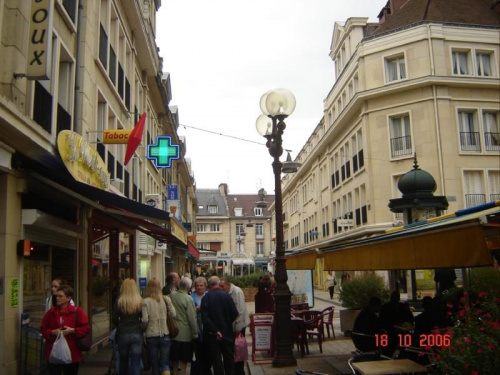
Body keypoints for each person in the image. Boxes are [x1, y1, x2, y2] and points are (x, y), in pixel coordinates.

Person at [41, 285, 90, 375]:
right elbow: (43, 329)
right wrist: (52, 332)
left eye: (60, 296)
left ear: (68, 298)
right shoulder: (51, 313)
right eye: (57, 296)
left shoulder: (77, 312)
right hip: (54, 352)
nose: (57, 298)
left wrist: (72, 330)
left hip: (72, 353)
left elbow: (85, 328)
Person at [201, 276, 238, 375]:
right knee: (229, 358)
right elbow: (235, 312)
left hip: (212, 335)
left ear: (208, 285)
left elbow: (205, 318)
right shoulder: (226, 296)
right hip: (227, 332)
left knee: (216, 359)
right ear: (218, 283)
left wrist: (215, 330)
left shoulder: (206, 298)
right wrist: (227, 322)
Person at [142, 278, 177, 375]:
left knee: (155, 363)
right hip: (165, 334)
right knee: (165, 362)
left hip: (151, 335)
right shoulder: (166, 299)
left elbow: (145, 320)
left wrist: (143, 328)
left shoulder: (145, 302)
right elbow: (174, 314)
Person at [112, 278, 143, 375]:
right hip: (137, 332)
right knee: (136, 361)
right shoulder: (140, 301)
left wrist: (120, 325)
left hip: (123, 333)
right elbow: (143, 317)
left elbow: (114, 318)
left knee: (123, 360)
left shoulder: (119, 301)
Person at [219, 277, 250, 375]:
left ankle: (239, 371)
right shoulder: (225, 293)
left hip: (239, 326)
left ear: (228, 285)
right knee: (233, 349)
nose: (220, 288)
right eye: (219, 286)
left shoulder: (237, 292)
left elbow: (240, 311)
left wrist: (238, 329)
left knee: (238, 348)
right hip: (231, 326)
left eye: (222, 286)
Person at [169, 277, 198, 375]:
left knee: (174, 357)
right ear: (189, 287)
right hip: (185, 333)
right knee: (184, 358)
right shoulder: (188, 299)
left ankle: (175, 372)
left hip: (172, 331)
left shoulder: (170, 296)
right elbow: (192, 317)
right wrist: (195, 332)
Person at [379, 292, 414, 356]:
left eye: (397, 298)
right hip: (389, 331)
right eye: (394, 298)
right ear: (391, 298)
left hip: (401, 329)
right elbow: (383, 321)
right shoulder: (386, 307)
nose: (395, 300)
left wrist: (408, 310)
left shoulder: (401, 306)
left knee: (409, 336)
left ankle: (405, 352)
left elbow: (410, 319)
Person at [191, 277, 211, 375]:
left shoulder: (209, 296)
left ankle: (206, 370)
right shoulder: (191, 297)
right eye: (197, 286)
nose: (199, 288)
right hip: (196, 329)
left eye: (201, 286)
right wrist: (196, 309)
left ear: (205, 286)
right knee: (198, 352)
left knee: (208, 352)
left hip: (207, 329)